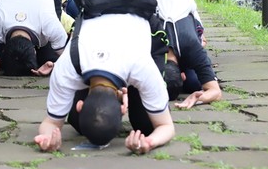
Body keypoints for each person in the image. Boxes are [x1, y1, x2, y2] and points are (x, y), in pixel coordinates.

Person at [33, 12, 175, 154]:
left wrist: (150, 141)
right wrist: (47, 137)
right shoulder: (65, 68)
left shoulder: (142, 67)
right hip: (101, 20)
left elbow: (166, 126)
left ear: (79, 105)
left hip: (146, 24)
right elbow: (166, 125)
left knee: (146, 125)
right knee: (85, 122)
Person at [129, 0, 222, 109]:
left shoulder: (188, 45)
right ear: (182, 74)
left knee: (195, 82)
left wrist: (198, 97)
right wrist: (197, 97)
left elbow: (215, 93)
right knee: (194, 83)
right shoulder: (188, 44)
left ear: (182, 74)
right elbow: (216, 91)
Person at [0, 0, 69, 76]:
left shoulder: (50, 25)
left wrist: (54, 65)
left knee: (48, 57)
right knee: (1, 58)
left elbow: (69, 60)